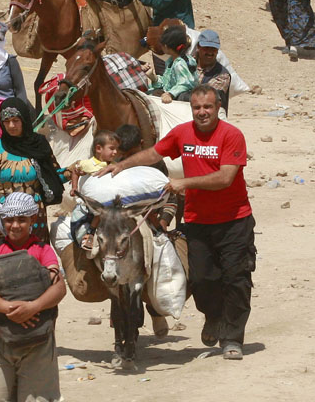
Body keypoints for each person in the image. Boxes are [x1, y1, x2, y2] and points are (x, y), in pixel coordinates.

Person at [100, 86, 253, 360]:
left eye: (207, 107)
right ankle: (214, 315)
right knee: (202, 278)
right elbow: (153, 154)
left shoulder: (232, 135)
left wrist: (184, 183)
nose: (202, 112)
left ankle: (232, 338)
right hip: (197, 221)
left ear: (218, 107)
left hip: (234, 220)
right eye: (197, 107)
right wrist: (122, 165)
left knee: (236, 280)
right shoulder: (182, 133)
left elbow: (225, 178)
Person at [0, 192, 66, 402]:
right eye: (9, 220)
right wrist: (9, 310)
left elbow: (59, 287)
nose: (15, 225)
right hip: (1, 339)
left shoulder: (44, 251)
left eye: (21, 220)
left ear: (32, 220)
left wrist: (33, 307)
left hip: (39, 343)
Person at [0, 99, 75, 248]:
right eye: (6, 121)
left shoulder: (39, 145)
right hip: (2, 219)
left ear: (24, 120)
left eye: (16, 120)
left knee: (35, 265)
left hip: (33, 220)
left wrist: (74, 170)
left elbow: (53, 178)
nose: (11, 126)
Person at [150, 25, 197, 103]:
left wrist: (170, 94)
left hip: (181, 100)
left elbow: (185, 84)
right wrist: (154, 77)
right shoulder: (171, 61)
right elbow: (167, 81)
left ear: (166, 46)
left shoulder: (180, 65)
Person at [190, 29, 231, 110]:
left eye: (213, 49)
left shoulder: (222, 75)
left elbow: (203, 97)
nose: (210, 52)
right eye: (206, 48)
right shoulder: (186, 64)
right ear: (198, 47)